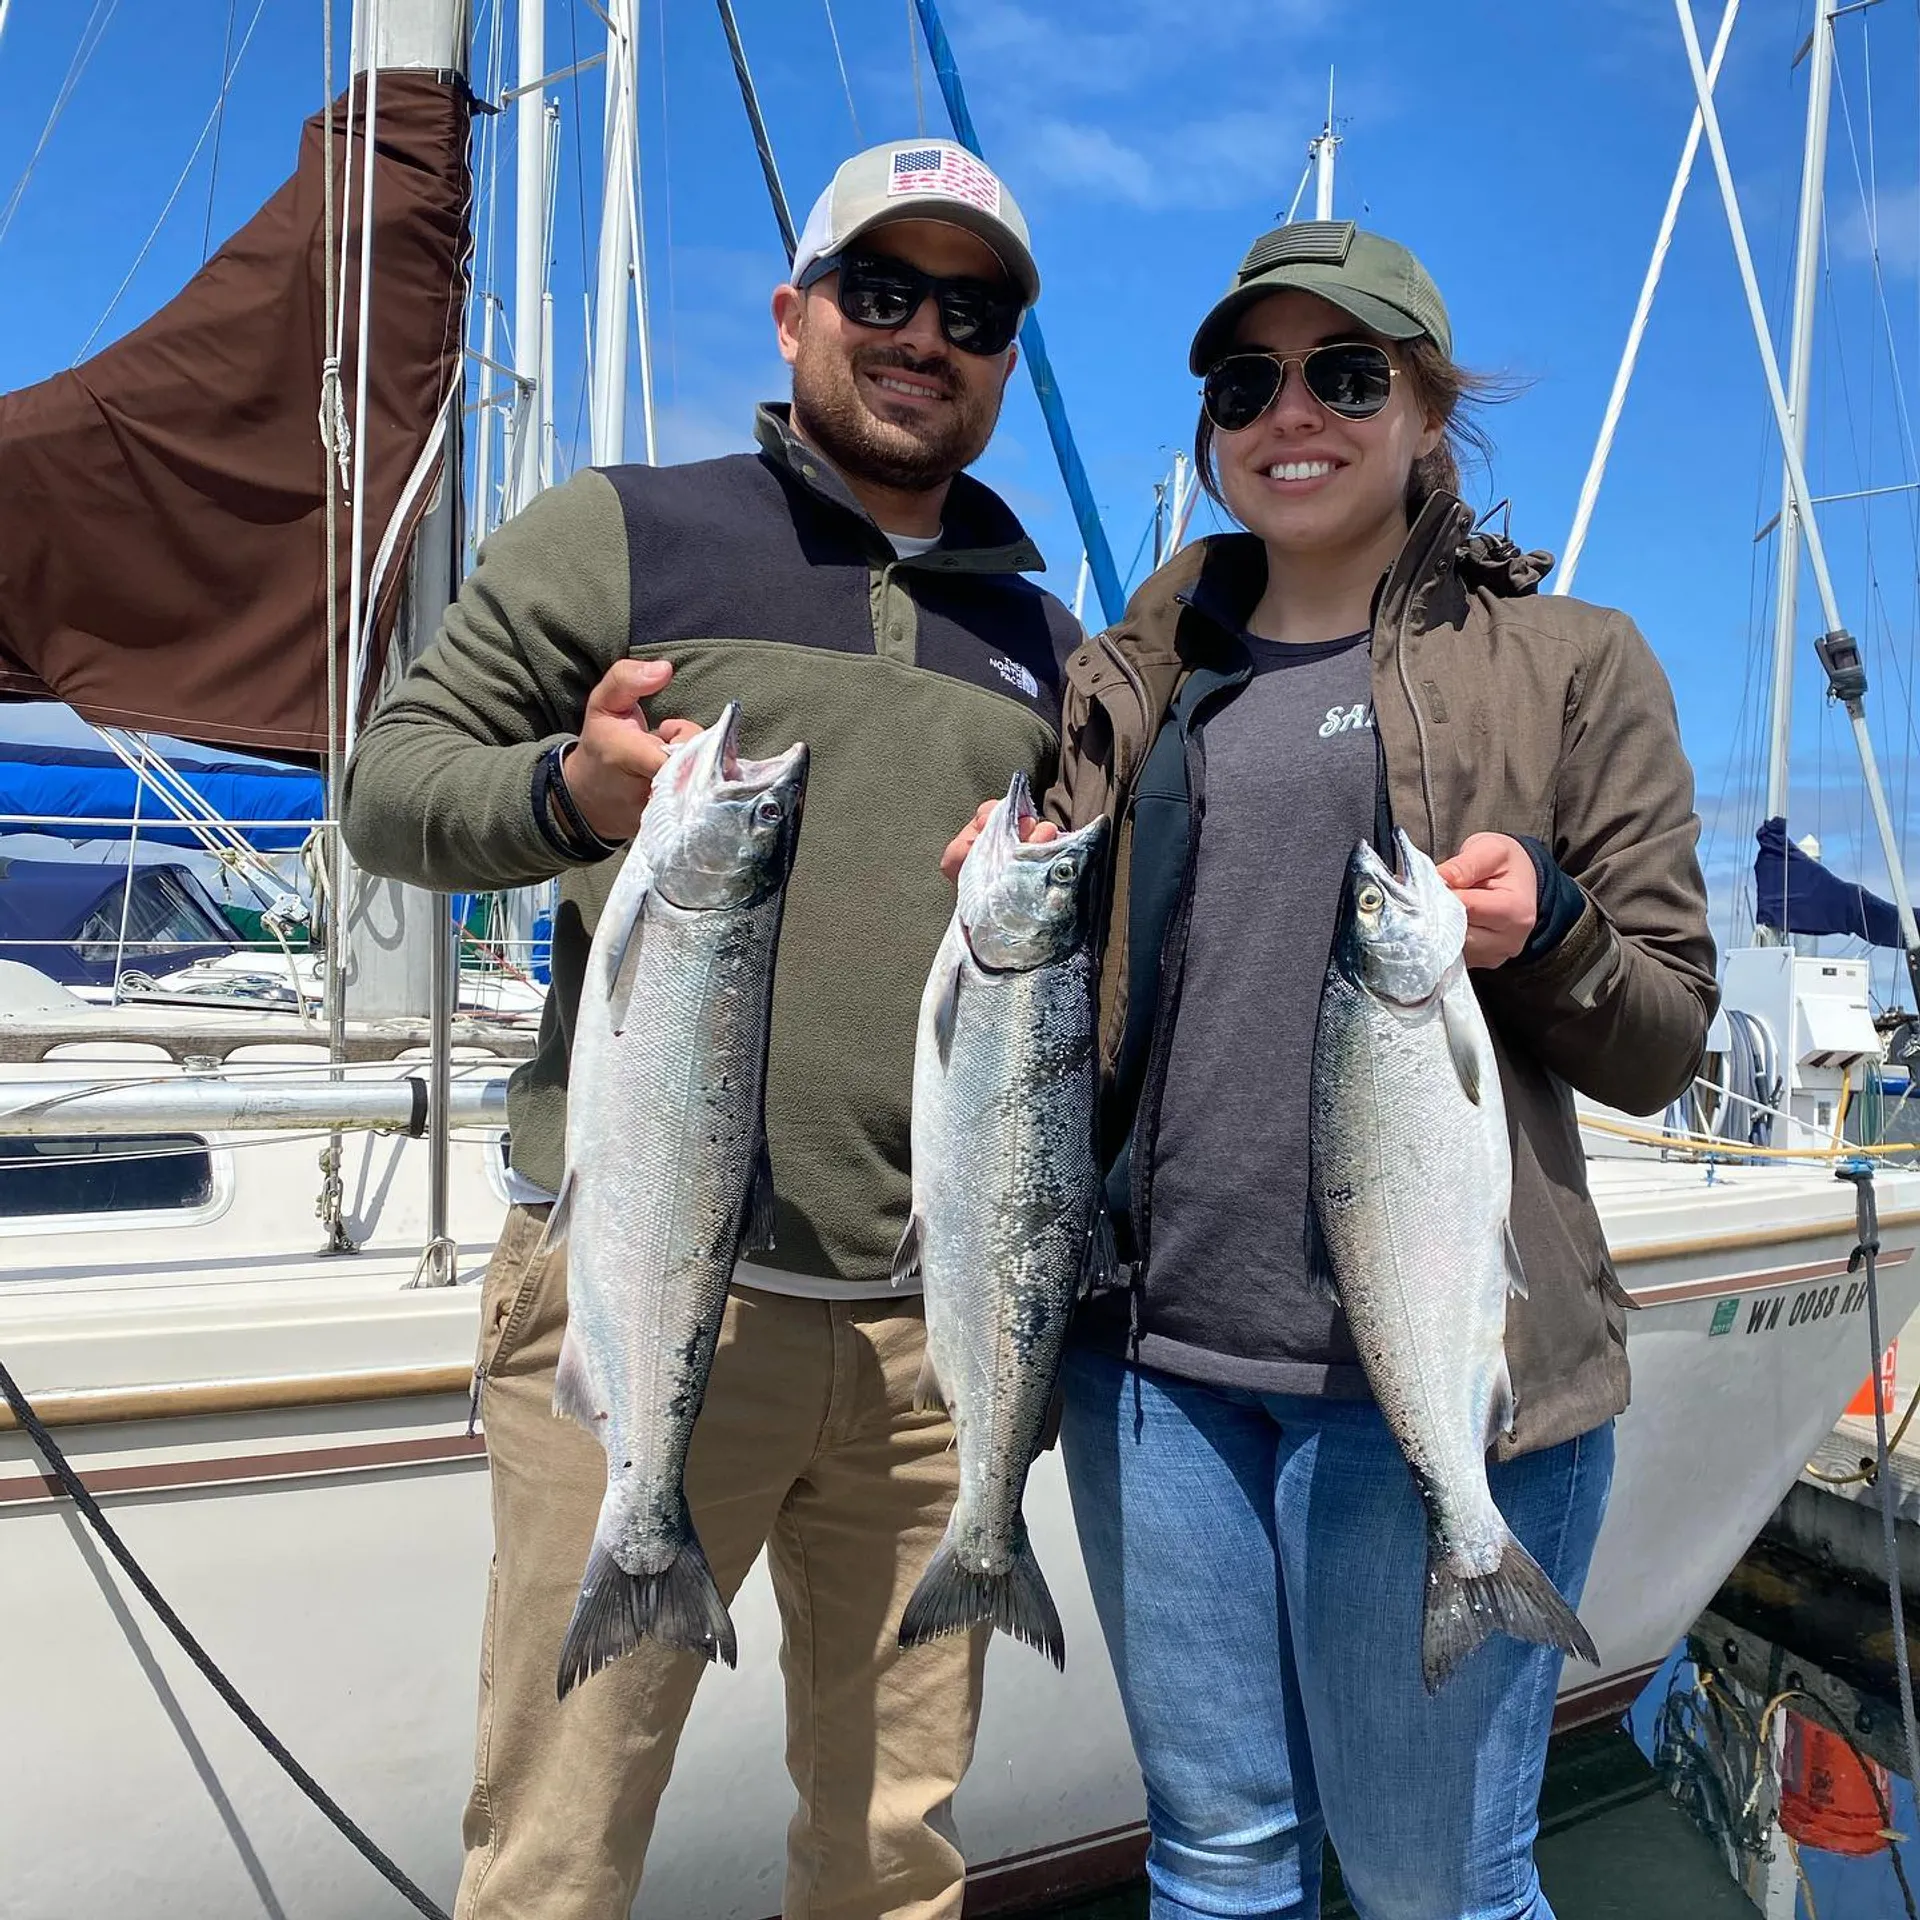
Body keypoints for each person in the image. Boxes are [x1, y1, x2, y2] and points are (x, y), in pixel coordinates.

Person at [342, 138, 1081, 1920]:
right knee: (559, 1853)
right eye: (883, 292)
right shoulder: (628, 526)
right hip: (652, 1296)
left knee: (895, 1854)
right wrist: (575, 791)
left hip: (932, 1346)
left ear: (1004, 355)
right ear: (795, 312)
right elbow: (389, 784)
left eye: (969, 311)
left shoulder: (1044, 636)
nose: (924, 337)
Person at [1026, 222, 1715, 1918]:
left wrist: (1547, 925)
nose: (1291, 413)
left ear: (1426, 413)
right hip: (1156, 1373)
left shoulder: (1575, 662)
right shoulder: (1135, 673)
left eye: (1345, 373)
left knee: (1432, 1886)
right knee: (1219, 1865)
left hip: (1443, 1394)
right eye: (1246, 382)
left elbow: (1669, 1033)